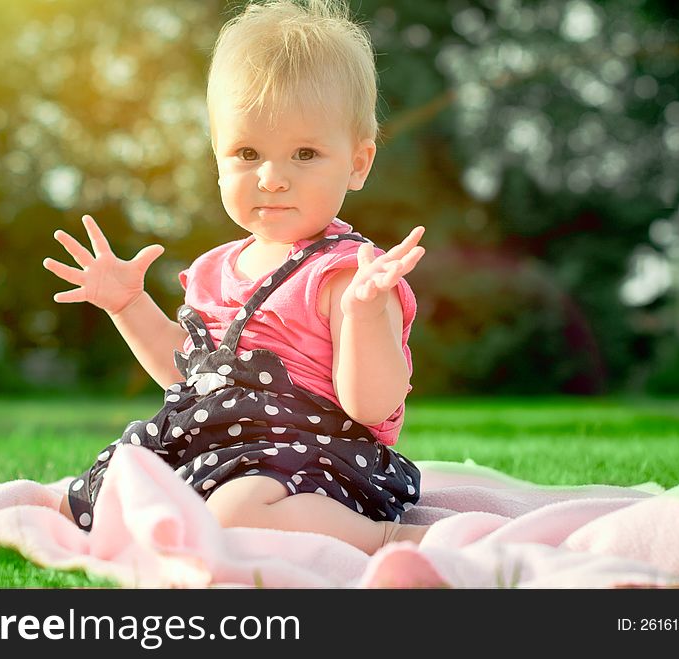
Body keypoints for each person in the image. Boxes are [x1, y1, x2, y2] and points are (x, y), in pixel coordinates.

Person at [43, 0, 428, 555]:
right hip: (215, 448)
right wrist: (128, 306)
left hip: (319, 459)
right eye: (248, 152)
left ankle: (387, 537)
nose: (272, 178)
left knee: (237, 513)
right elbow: (187, 375)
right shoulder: (214, 270)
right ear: (217, 157)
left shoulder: (349, 275)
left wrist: (366, 314)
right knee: (103, 495)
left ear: (358, 163)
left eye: (304, 154)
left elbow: (370, 406)